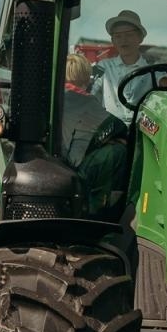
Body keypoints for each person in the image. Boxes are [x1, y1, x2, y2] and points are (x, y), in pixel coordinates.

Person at [61, 52, 128, 216]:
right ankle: (97, 212)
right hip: (74, 172)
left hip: (49, 165)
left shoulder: (52, 98)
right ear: (86, 78)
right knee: (119, 152)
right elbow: (117, 126)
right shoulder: (85, 100)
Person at [92, 10, 160, 120]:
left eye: (129, 35)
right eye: (118, 36)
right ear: (113, 40)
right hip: (111, 131)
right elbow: (89, 92)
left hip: (143, 129)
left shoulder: (154, 70)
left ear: (140, 38)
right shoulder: (103, 66)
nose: (123, 40)